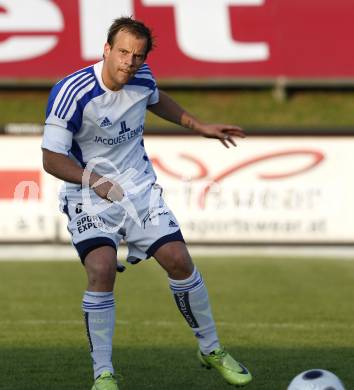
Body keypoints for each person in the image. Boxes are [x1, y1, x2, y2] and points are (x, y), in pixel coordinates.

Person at [42, 16, 252, 390]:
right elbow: (51, 159)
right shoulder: (71, 93)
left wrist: (197, 125)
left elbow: (156, 99)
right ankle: (103, 372)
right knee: (102, 268)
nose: (129, 61)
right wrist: (94, 180)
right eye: (122, 52)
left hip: (139, 189)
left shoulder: (142, 76)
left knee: (178, 260)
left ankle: (211, 349)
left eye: (137, 56)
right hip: (88, 193)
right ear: (106, 50)